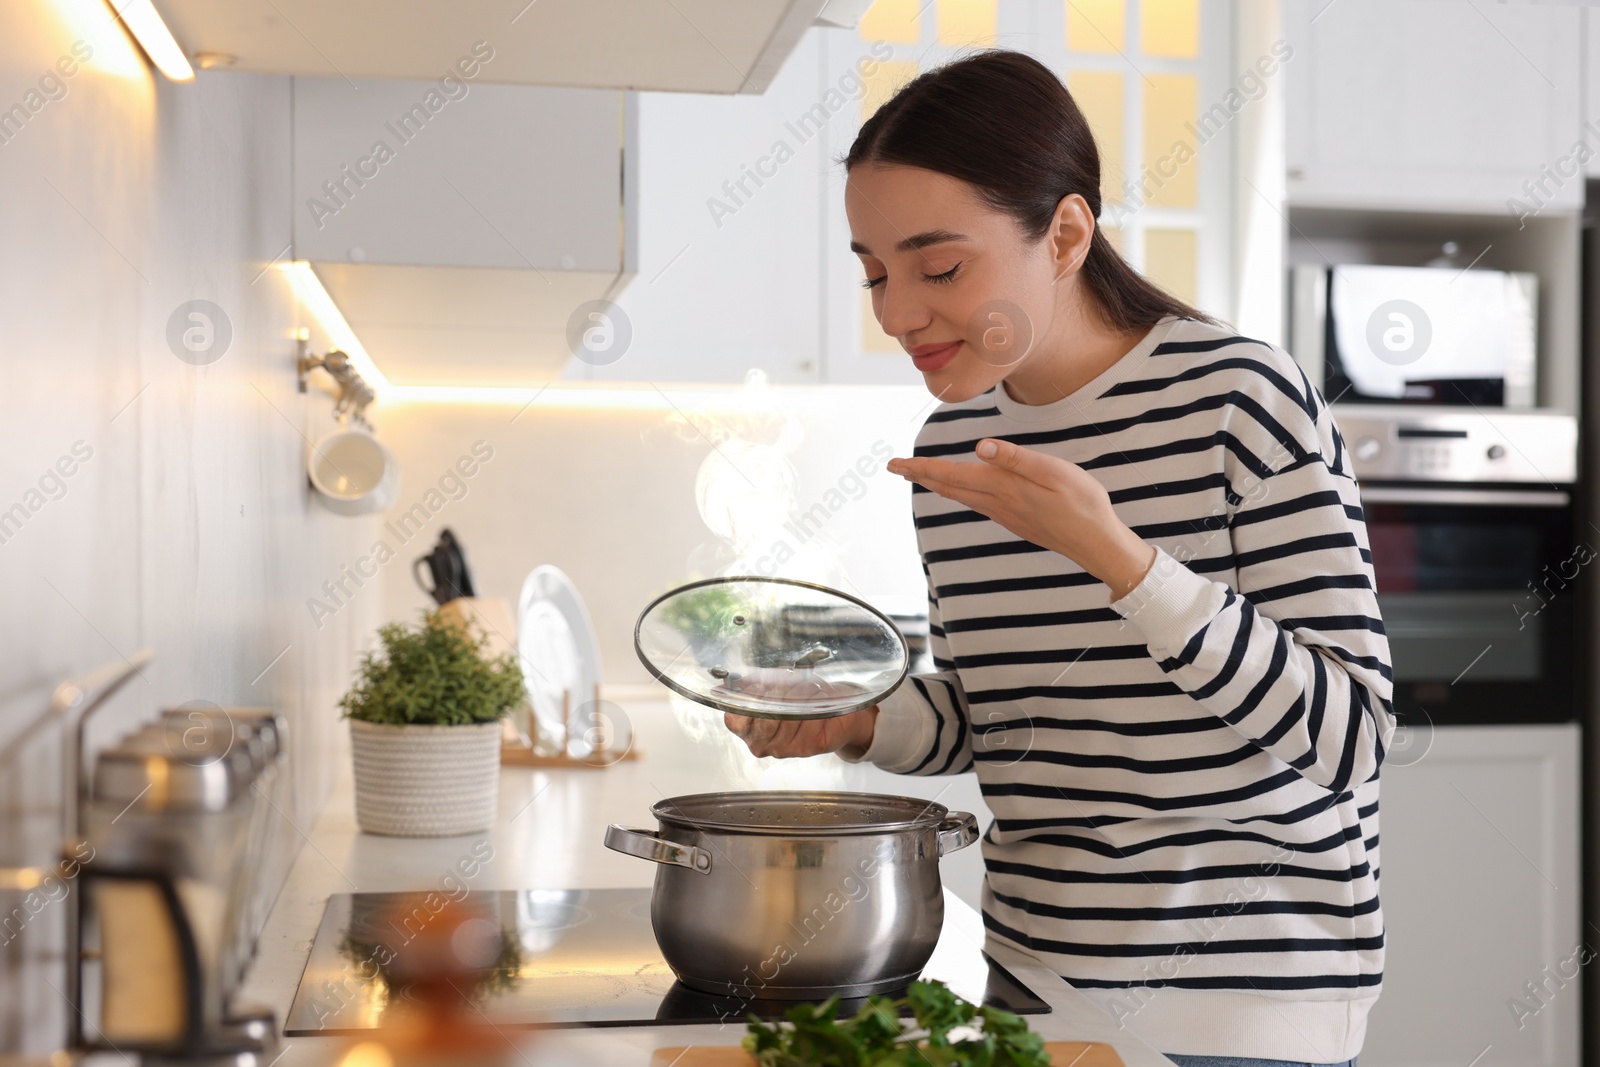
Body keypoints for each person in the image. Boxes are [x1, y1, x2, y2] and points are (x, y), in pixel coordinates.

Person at [722, 49, 1391, 1067]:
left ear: (1067, 232)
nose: (898, 313)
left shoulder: (1238, 399)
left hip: (1242, 1008)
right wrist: (859, 716)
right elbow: (1003, 717)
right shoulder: (949, 451)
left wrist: (1121, 558)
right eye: (874, 272)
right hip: (1033, 991)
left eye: (938, 267)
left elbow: (1349, 736)